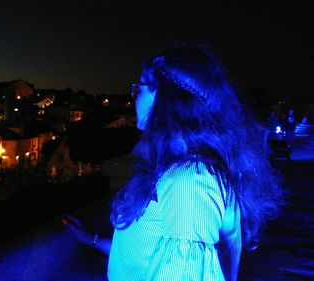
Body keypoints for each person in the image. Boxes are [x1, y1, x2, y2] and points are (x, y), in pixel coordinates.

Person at [65, 45, 283, 281]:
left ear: (165, 98)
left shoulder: (190, 182)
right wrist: (93, 240)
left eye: (140, 88)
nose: (134, 96)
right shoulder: (184, 172)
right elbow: (150, 254)